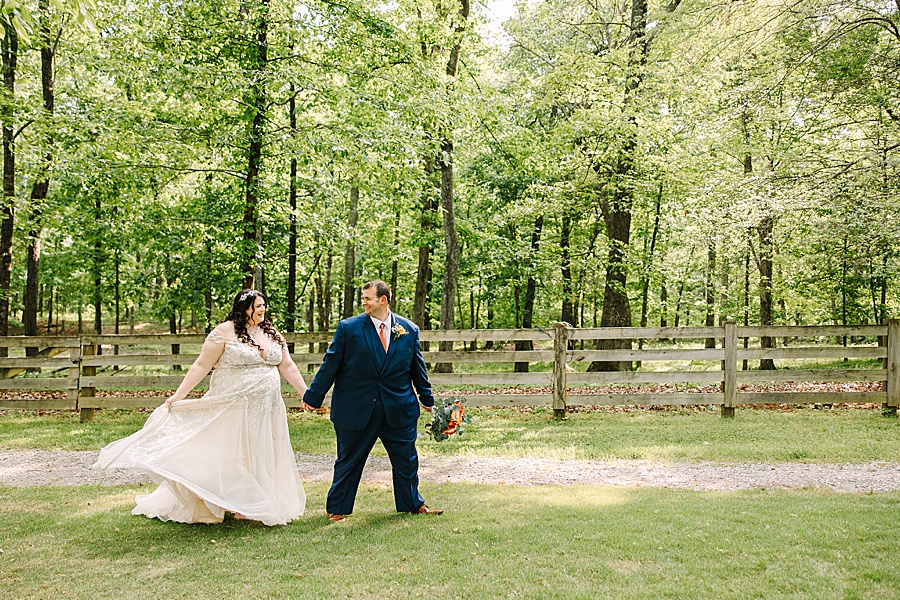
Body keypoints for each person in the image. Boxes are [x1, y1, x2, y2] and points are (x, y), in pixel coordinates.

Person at [95, 290, 308, 526]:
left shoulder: (271, 333)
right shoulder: (223, 332)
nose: (262, 309)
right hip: (233, 404)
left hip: (267, 407)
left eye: (263, 305)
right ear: (243, 308)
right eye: (257, 305)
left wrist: (305, 393)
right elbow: (201, 365)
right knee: (234, 452)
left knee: (262, 449)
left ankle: (255, 501)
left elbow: (287, 365)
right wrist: (179, 394)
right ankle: (232, 501)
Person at [302, 280, 442, 522]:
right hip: (356, 408)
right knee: (348, 461)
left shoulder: (409, 330)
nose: (363, 302)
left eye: (368, 298)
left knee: (407, 460)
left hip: (398, 408)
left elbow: (417, 368)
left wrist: (426, 397)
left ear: (383, 300)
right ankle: (337, 508)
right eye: (363, 298)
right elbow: (330, 366)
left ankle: (413, 504)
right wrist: (313, 397)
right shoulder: (349, 328)